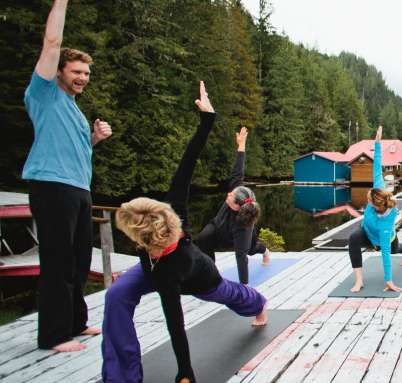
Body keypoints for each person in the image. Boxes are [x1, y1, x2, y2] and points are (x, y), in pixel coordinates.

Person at [101, 82, 268, 383]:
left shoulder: (173, 262)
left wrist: (185, 372)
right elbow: (188, 161)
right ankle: (121, 376)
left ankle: (259, 302)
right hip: (152, 272)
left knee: (234, 295)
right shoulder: (166, 207)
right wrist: (207, 120)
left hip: (200, 278)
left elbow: (175, 324)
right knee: (116, 296)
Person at [25, 0, 112, 352]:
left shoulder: (74, 109)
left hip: (78, 189)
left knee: (79, 261)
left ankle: (75, 323)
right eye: (76, 71)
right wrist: (61, 3)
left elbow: (77, 152)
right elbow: (51, 43)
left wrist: (94, 138)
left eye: (87, 74)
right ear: (59, 71)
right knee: (58, 262)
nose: (82, 78)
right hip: (52, 186)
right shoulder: (43, 93)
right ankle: (53, 335)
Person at [193, 126, 271, 285]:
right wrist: (241, 144)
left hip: (235, 235)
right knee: (203, 238)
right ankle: (211, 272)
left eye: (231, 197)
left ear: (237, 206)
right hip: (218, 226)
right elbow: (238, 171)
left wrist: (244, 286)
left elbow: (241, 259)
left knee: (249, 250)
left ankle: (265, 251)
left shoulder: (244, 227)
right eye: (231, 193)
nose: (228, 195)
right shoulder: (238, 190)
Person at [348, 126, 402, 293]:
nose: (367, 199)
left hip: (386, 240)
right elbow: (377, 166)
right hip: (367, 233)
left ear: (377, 206)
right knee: (354, 238)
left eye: (369, 200)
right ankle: (359, 280)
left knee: (395, 250)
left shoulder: (385, 225)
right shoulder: (379, 189)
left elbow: (385, 257)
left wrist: (389, 280)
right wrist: (377, 143)